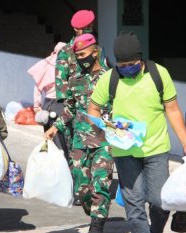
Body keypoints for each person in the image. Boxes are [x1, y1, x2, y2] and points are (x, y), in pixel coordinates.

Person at [88, 31, 186, 233]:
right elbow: (93, 109)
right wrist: (104, 130)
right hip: (124, 150)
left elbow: (172, 109)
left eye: (132, 63)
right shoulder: (109, 79)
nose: (127, 68)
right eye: (122, 65)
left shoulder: (158, 74)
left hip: (155, 149)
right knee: (134, 203)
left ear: (141, 58)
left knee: (160, 200)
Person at [45, 34, 114, 233]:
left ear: (95, 51)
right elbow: (70, 108)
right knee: (82, 188)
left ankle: (97, 227)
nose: (81, 59)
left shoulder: (110, 78)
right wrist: (55, 126)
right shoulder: (74, 79)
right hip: (80, 141)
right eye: (77, 56)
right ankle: (92, 210)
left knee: (101, 183)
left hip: (104, 141)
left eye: (83, 54)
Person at [55, 9, 109, 206]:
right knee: (77, 160)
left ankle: (96, 195)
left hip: (98, 115)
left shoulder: (96, 48)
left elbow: (104, 73)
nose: (91, 30)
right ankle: (82, 190)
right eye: (88, 27)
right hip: (75, 110)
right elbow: (62, 89)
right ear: (78, 29)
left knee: (97, 163)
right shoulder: (65, 53)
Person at [28, 42, 70, 160]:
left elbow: (37, 88)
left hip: (47, 104)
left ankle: (52, 164)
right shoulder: (65, 64)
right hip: (60, 104)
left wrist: (37, 107)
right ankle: (64, 165)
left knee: (49, 137)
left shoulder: (45, 63)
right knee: (62, 139)